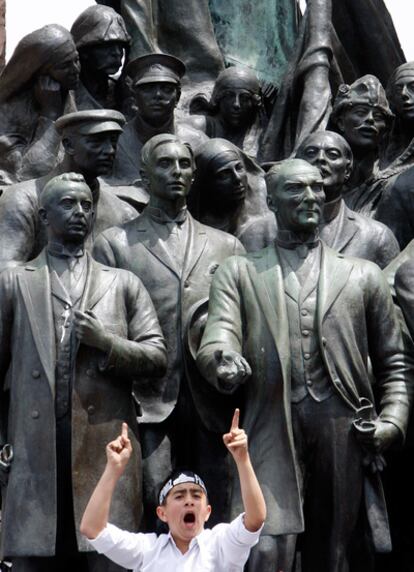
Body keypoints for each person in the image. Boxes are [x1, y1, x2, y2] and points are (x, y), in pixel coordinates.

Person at [196, 158, 413, 572]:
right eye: (296, 189)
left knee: (333, 551)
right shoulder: (239, 271)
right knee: (263, 548)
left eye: (316, 187)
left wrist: (393, 421)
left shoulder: (362, 275)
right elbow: (218, 336)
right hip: (268, 420)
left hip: (341, 427)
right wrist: (222, 362)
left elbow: (394, 361)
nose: (311, 196)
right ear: (272, 202)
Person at [0, 172, 167, 571]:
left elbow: (156, 358)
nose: (80, 213)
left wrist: (106, 341)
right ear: (43, 215)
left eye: (87, 206)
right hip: (34, 450)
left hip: (103, 447)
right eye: (68, 204)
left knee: (106, 557)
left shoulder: (122, 283)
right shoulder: (13, 282)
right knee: (35, 557)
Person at [93, 133, 245, 530]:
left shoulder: (226, 246)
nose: (175, 172)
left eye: (183, 164)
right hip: (146, 400)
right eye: (164, 164)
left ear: (194, 175)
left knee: (218, 507)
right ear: (144, 175)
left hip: (211, 398)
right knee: (152, 504)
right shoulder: (114, 244)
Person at [80, 409, 266, 572]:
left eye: (196, 495)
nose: (189, 501)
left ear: (207, 512)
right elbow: (92, 529)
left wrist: (243, 459)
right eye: (179, 496)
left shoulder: (221, 544)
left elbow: (255, 518)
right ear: (162, 513)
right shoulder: (148, 550)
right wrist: (113, 469)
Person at [0, 109, 139, 271]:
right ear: (68, 145)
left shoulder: (124, 213)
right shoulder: (22, 199)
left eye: (113, 142)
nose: (110, 151)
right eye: (97, 142)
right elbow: (5, 272)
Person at [295, 130, 400, 268]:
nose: (320, 158)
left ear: (347, 170)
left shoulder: (377, 236)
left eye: (332, 155)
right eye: (311, 153)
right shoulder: (265, 229)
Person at [108, 53, 207, 185]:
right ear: (134, 96)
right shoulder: (114, 143)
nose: (158, 95)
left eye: (166, 89)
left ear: (177, 97)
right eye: (148, 89)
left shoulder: (198, 143)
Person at [0, 24, 80, 184]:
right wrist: (50, 114)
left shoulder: (65, 93)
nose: (76, 69)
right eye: (65, 66)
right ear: (40, 73)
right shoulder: (7, 113)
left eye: (76, 60)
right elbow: (28, 174)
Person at [189, 138, 276, 251]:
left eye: (239, 168)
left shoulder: (266, 202)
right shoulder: (195, 226)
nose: (237, 178)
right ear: (206, 182)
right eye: (224, 174)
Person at [329, 74, 393, 217]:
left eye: (378, 117)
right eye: (361, 112)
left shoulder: (387, 183)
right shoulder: (321, 165)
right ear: (340, 121)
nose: (370, 120)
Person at [188, 67, 267, 157]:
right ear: (218, 98)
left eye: (244, 97)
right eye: (229, 96)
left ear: (253, 102)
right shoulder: (197, 125)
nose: (236, 104)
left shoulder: (257, 138)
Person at [71, 4, 131, 112]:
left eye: (121, 46)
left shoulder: (123, 93)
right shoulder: (65, 96)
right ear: (84, 50)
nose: (117, 53)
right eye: (108, 46)